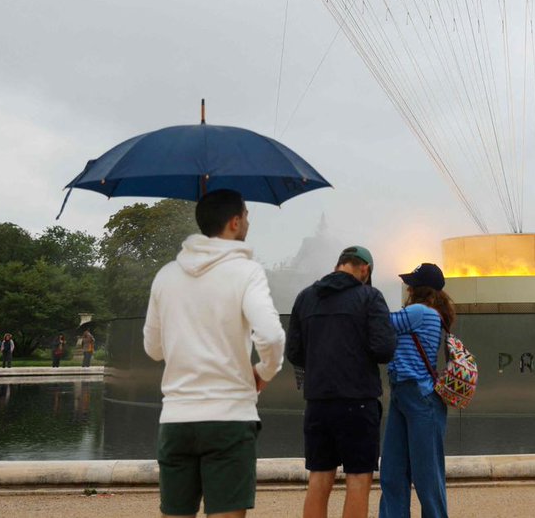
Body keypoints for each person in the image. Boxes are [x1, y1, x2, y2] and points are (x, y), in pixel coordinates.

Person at [143, 189, 285, 518]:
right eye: (247, 215)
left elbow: (153, 349)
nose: (249, 221)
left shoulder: (165, 276)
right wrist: (263, 373)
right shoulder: (247, 272)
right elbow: (271, 335)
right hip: (230, 418)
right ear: (235, 222)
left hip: (177, 418)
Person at [286, 245, 397, 518]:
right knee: (358, 479)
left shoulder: (305, 298)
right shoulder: (369, 297)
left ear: (339, 265)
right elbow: (384, 350)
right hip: (358, 402)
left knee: (319, 477)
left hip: (318, 402)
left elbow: (293, 352)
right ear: (364, 269)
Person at [379, 263, 456, 518]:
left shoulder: (420, 312)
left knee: (411, 475)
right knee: (412, 474)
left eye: (411, 283)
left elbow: (383, 323)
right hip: (409, 395)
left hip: (417, 396)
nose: (407, 287)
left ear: (420, 290)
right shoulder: (430, 313)